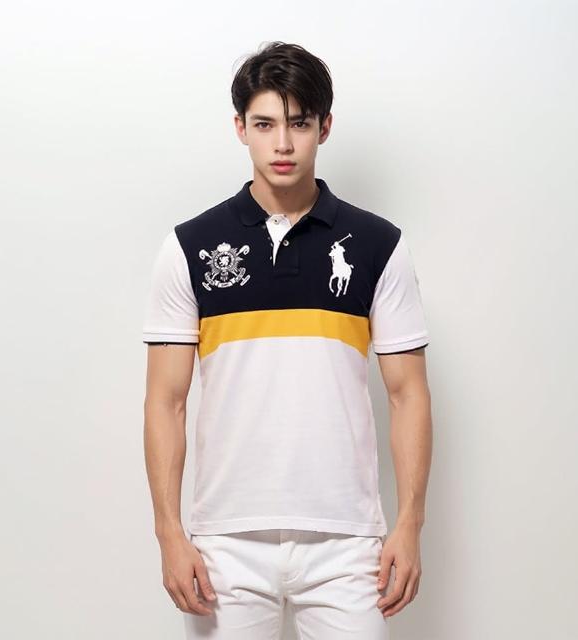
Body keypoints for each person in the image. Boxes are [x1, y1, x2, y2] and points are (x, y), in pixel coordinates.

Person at [142, 41, 433, 639]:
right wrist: (169, 532)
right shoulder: (191, 247)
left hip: (348, 542)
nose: (282, 144)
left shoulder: (378, 245)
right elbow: (165, 402)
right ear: (240, 128)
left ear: (324, 127)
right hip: (225, 542)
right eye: (265, 124)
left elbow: (408, 394)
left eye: (299, 123)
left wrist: (410, 524)